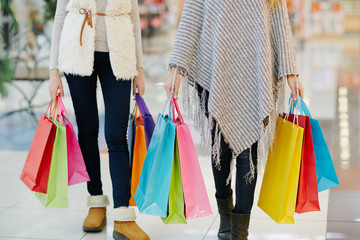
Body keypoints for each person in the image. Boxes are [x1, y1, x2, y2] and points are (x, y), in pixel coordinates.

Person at [164, 0, 304, 240]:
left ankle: (240, 231)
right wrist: (175, 69)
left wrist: (291, 73)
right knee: (221, 148)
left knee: (248, 151)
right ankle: (225, 215)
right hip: (215, 71)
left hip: (255, 71)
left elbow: (280, 22)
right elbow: (191, 17)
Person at [48, 0, 149, 239]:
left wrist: (140, 69)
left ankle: (123, 214)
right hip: (77, 52)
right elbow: (59, 19)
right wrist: (53, 71)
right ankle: (96, 201)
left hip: (120, 56)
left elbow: (134, 20)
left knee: (116, 134)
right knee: (88, 129)